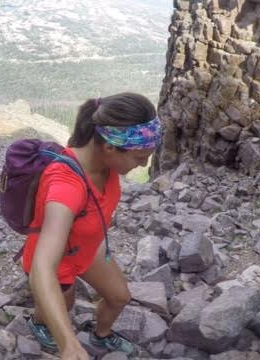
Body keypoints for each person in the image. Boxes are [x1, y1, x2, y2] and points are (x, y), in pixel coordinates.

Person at [21, 92, 162, 359]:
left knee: (120, 297)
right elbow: (42, 267)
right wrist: (69, 345)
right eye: (140, 157)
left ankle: (101, 335)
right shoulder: (66, 186)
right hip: (57, 258)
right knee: (65, 302)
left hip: (86, 248)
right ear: (110, 147)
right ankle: (39, 323)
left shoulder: (105, 163)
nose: (145, 163)